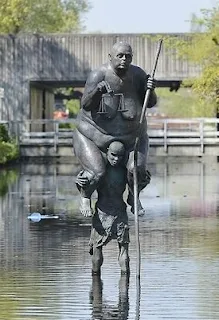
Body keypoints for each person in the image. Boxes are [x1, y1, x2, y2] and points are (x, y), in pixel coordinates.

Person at [73, 41, 157, 217]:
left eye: (128, 56)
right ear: (110, 57)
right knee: (95, 172)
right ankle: (85, 196)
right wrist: (97, 91)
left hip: (132, 137)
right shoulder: (98, 75)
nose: (124, 59)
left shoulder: (138, 75)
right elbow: (86, 105)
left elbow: (151, 102)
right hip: (94, 135)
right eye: (120, 56)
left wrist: (151, 89)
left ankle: (134, 197)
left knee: (137, 170)